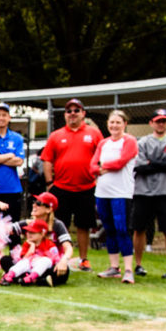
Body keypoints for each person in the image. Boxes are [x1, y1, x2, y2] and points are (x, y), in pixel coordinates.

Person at [41, 98, 103, 271]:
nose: (73, 114)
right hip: (61, 188)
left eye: (77, 110)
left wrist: (98, 177)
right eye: (69, 111)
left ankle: (83, 260)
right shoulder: (56, 135)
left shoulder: (94, 133)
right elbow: (47, 160)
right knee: (60, 225)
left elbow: (102, 157)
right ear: (65, 115)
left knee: (84, 225)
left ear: (83, 113)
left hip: (86, 188)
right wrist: (49, 184)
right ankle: (58, 258)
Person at [131, 109, 166, 279]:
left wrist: (151, 162)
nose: (161, 124)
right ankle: (138, 265)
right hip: (143, 192)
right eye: (157, 121)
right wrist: (163, 162)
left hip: (165, 192)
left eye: (164, 121)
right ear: (151, 123)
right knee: (139, 229)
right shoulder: (143, 142)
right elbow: (139, 166)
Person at [90, 110, 138, 284]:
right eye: (112, 122)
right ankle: (114, 267)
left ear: (125, 124)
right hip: (103, 192)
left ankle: (128, 269)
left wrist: (102, 166)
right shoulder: (103, 143)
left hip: (121, 193)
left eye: (118, 122)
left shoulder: (130, 141)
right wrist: (100, 168)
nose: (114, 126)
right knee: (109, 230)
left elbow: (120, 163)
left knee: (122, 229)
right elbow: (92, 167)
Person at [2, 192, 73, 286]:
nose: (34, 205)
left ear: (49, 209)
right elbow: (5, 230)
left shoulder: (57, 225)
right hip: (29, 260)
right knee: (5, 260)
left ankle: (21, 277)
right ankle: (39, 280)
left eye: (39, 203)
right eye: (34, 201)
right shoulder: (29, 223)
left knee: (63, 271)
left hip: (49, 262)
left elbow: (68, 247)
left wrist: (64, 261)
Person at [0, 219, 60, 285]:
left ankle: (31, 278)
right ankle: (9, 276)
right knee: (24, 262)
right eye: (28, 232)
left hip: (41, 268)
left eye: (33, 232)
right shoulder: (27, 244)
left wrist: (40, 258)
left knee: (46, 261)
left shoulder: (49, 244)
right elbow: (24, 259)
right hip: (29, 266)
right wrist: (32, 248)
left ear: (42, 233)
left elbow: (54, 258)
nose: (29, 234)